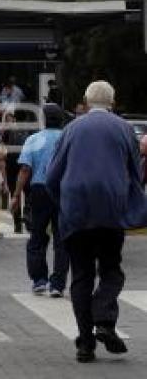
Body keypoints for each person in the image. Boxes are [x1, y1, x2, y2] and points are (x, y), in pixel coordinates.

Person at [46, 81, 147, 363]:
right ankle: (104, 319)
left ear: (86, 102)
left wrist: (63, 204)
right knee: (112, 270)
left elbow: (53, 175)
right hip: (111, 211)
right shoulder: (124, 129)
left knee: (81, 276)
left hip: (76, 211)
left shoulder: (71, 129)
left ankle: (85, 344)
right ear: (113, 102)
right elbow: (134, 173)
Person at [11, 104, 69, 298]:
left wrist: (16, 194)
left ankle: (39, 280)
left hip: (39, 190)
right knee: (62, 239)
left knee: (37, 236)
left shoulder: (33, 139)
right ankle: (58, 284)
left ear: (43, 120)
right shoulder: (67, 138)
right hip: (63, 190)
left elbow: (25, 170)